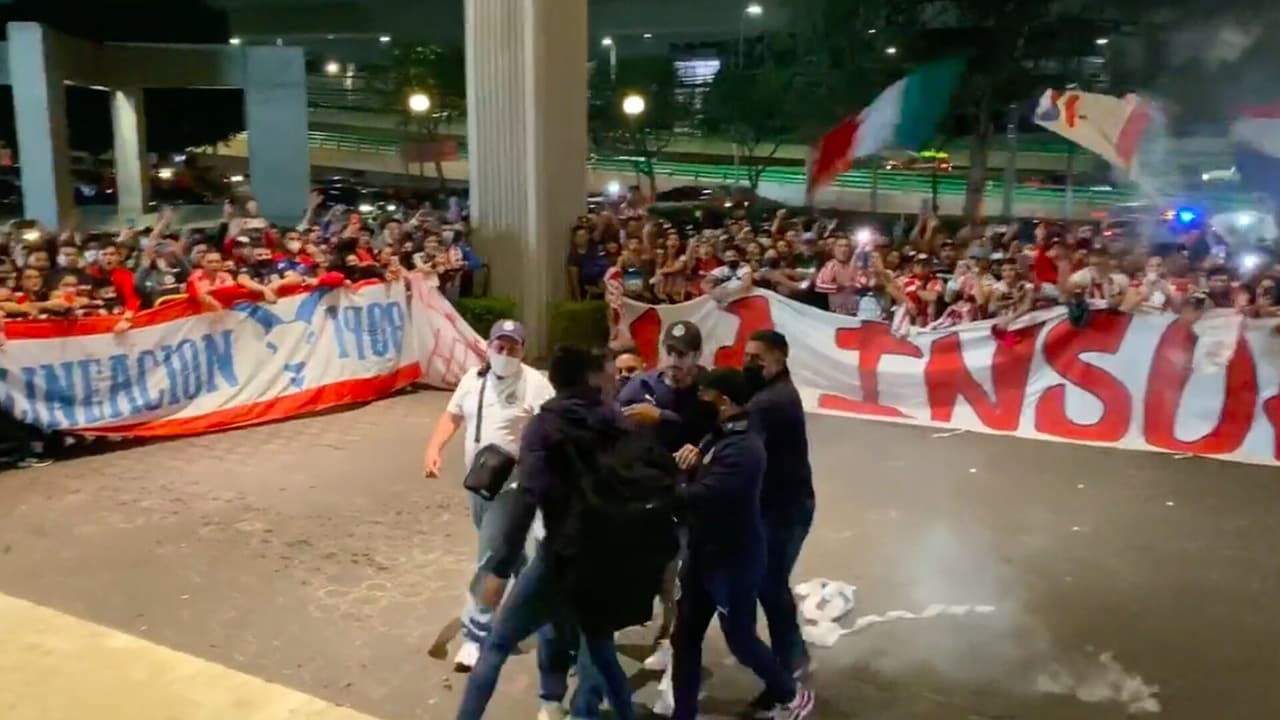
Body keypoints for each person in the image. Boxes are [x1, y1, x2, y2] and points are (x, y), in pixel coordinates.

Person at [455, 345, 671, 720]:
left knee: (496, 646)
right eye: (606, 371)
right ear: (589, 377)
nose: (612, 377)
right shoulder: (614, 422)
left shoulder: (544, 427)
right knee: (602, 655)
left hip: (556, 558)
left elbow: (526, 500)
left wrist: (500, 570)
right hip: (601, 561)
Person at [669, 367, 815, 720]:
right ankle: (683, 714)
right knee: (684, 637)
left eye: (705, 395)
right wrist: (687, 464)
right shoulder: (718, 434)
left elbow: (703, 496)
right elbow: (696, 473)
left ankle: (791, 694)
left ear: (723, 401)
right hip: (703, 554)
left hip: (733, 560)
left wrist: (667, 488)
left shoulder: (745, 448)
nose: (700, 401)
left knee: (741, 640)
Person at [422, 319, 555, 672]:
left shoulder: (534, 384)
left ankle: (475, 636)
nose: (505, 353)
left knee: (489, 560)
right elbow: (452, 416)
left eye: (513, 347)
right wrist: (434, 449)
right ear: (488, 346)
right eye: (500, 345)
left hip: (512, 487)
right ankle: (547, 616)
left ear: (523, 350)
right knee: (514, 556)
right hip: (478, 483)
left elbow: (554, 427)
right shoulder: (472, 379)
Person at [614, 321, 718, 678]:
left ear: (697, 355)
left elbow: (717, 429)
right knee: (639, 568)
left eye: (682, 354)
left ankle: (669, 639)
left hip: (689, 500)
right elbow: (611, 422)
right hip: (644, 498)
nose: (674, 361)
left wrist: (664, 420)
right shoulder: (642, 387)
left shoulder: (709, 391)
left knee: (676, 578)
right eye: (669, 352)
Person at [742, 330, 816, 714]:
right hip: (782, 506)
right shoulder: (772, 392)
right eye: (747, 355)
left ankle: (788, 673)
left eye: (758, 357)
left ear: (779, 359)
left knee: (770, 587)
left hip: (786, 511)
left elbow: (738, 438)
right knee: (770, 586)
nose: (749, 363)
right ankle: (795, 657)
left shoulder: (772, 401)